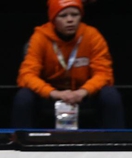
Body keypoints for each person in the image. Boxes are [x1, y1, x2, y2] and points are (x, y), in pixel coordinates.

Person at [13, 0, 125, 129]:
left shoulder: (92, 35)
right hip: (50, 95)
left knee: (110, 95)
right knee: (23, 97)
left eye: (75, 14)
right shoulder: (40, 37)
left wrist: (82, 92)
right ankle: (19, 140)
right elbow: (27, 75)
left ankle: (116, 141)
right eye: (63, 16)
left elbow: (104, 73)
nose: (70, 20)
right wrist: (54, 93)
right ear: (53, 19)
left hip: (83, 94)